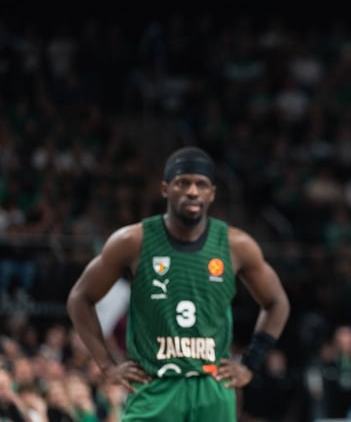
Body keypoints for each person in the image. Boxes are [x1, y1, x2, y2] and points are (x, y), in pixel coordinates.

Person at [66, 146, 291, 422]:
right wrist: (106, 365)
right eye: (183, 183)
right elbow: (80, 298)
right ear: (165, 189)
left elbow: (277, 302)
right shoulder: (132, 241)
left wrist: (250, 362)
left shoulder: (237, 245)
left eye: (201, 184)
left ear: (212, 193)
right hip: (154, 387)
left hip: (211, 388)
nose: (192, 191)